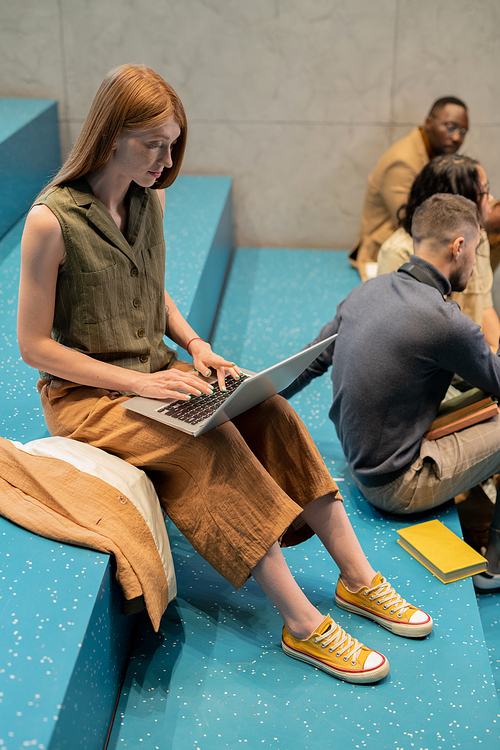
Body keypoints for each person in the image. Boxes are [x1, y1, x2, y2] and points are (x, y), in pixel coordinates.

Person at [17, 63, 432, 685]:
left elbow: (149, 294)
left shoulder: (146, 199)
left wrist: (195, 345)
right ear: (110, 135)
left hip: (159, 373)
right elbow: (32, 347)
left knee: (271, 412)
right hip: (88, 398)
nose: (166, 159)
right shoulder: (50, 222)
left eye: (173, 143)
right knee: (210, 447)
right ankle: (300, 624)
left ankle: (359, 580)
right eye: (153, 144)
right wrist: (140, 383)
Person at [282, 194, 500, 592]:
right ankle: (495, 568)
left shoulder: (368, 290)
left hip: (357, 461)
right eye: (477, 251)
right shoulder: (445, 321)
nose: (476, 263)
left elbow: (308, 363)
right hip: (398, 485)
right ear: (459, 246)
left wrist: (248, 405)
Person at [377, 154, 500, 352]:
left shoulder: (479, 239)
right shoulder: (399, 253)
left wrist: (493, 361)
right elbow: (395, 339)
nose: (491, 198)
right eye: (484, 191)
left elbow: (485, 308)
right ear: (459, 204)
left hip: (469, 364)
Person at [350, 96, 468, 281]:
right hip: (387, 252)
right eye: (450, 126)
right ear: (428, 122)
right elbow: (414, 222)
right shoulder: (403, 161)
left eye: (463, 131)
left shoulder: (436, 156)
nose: (456, 137)